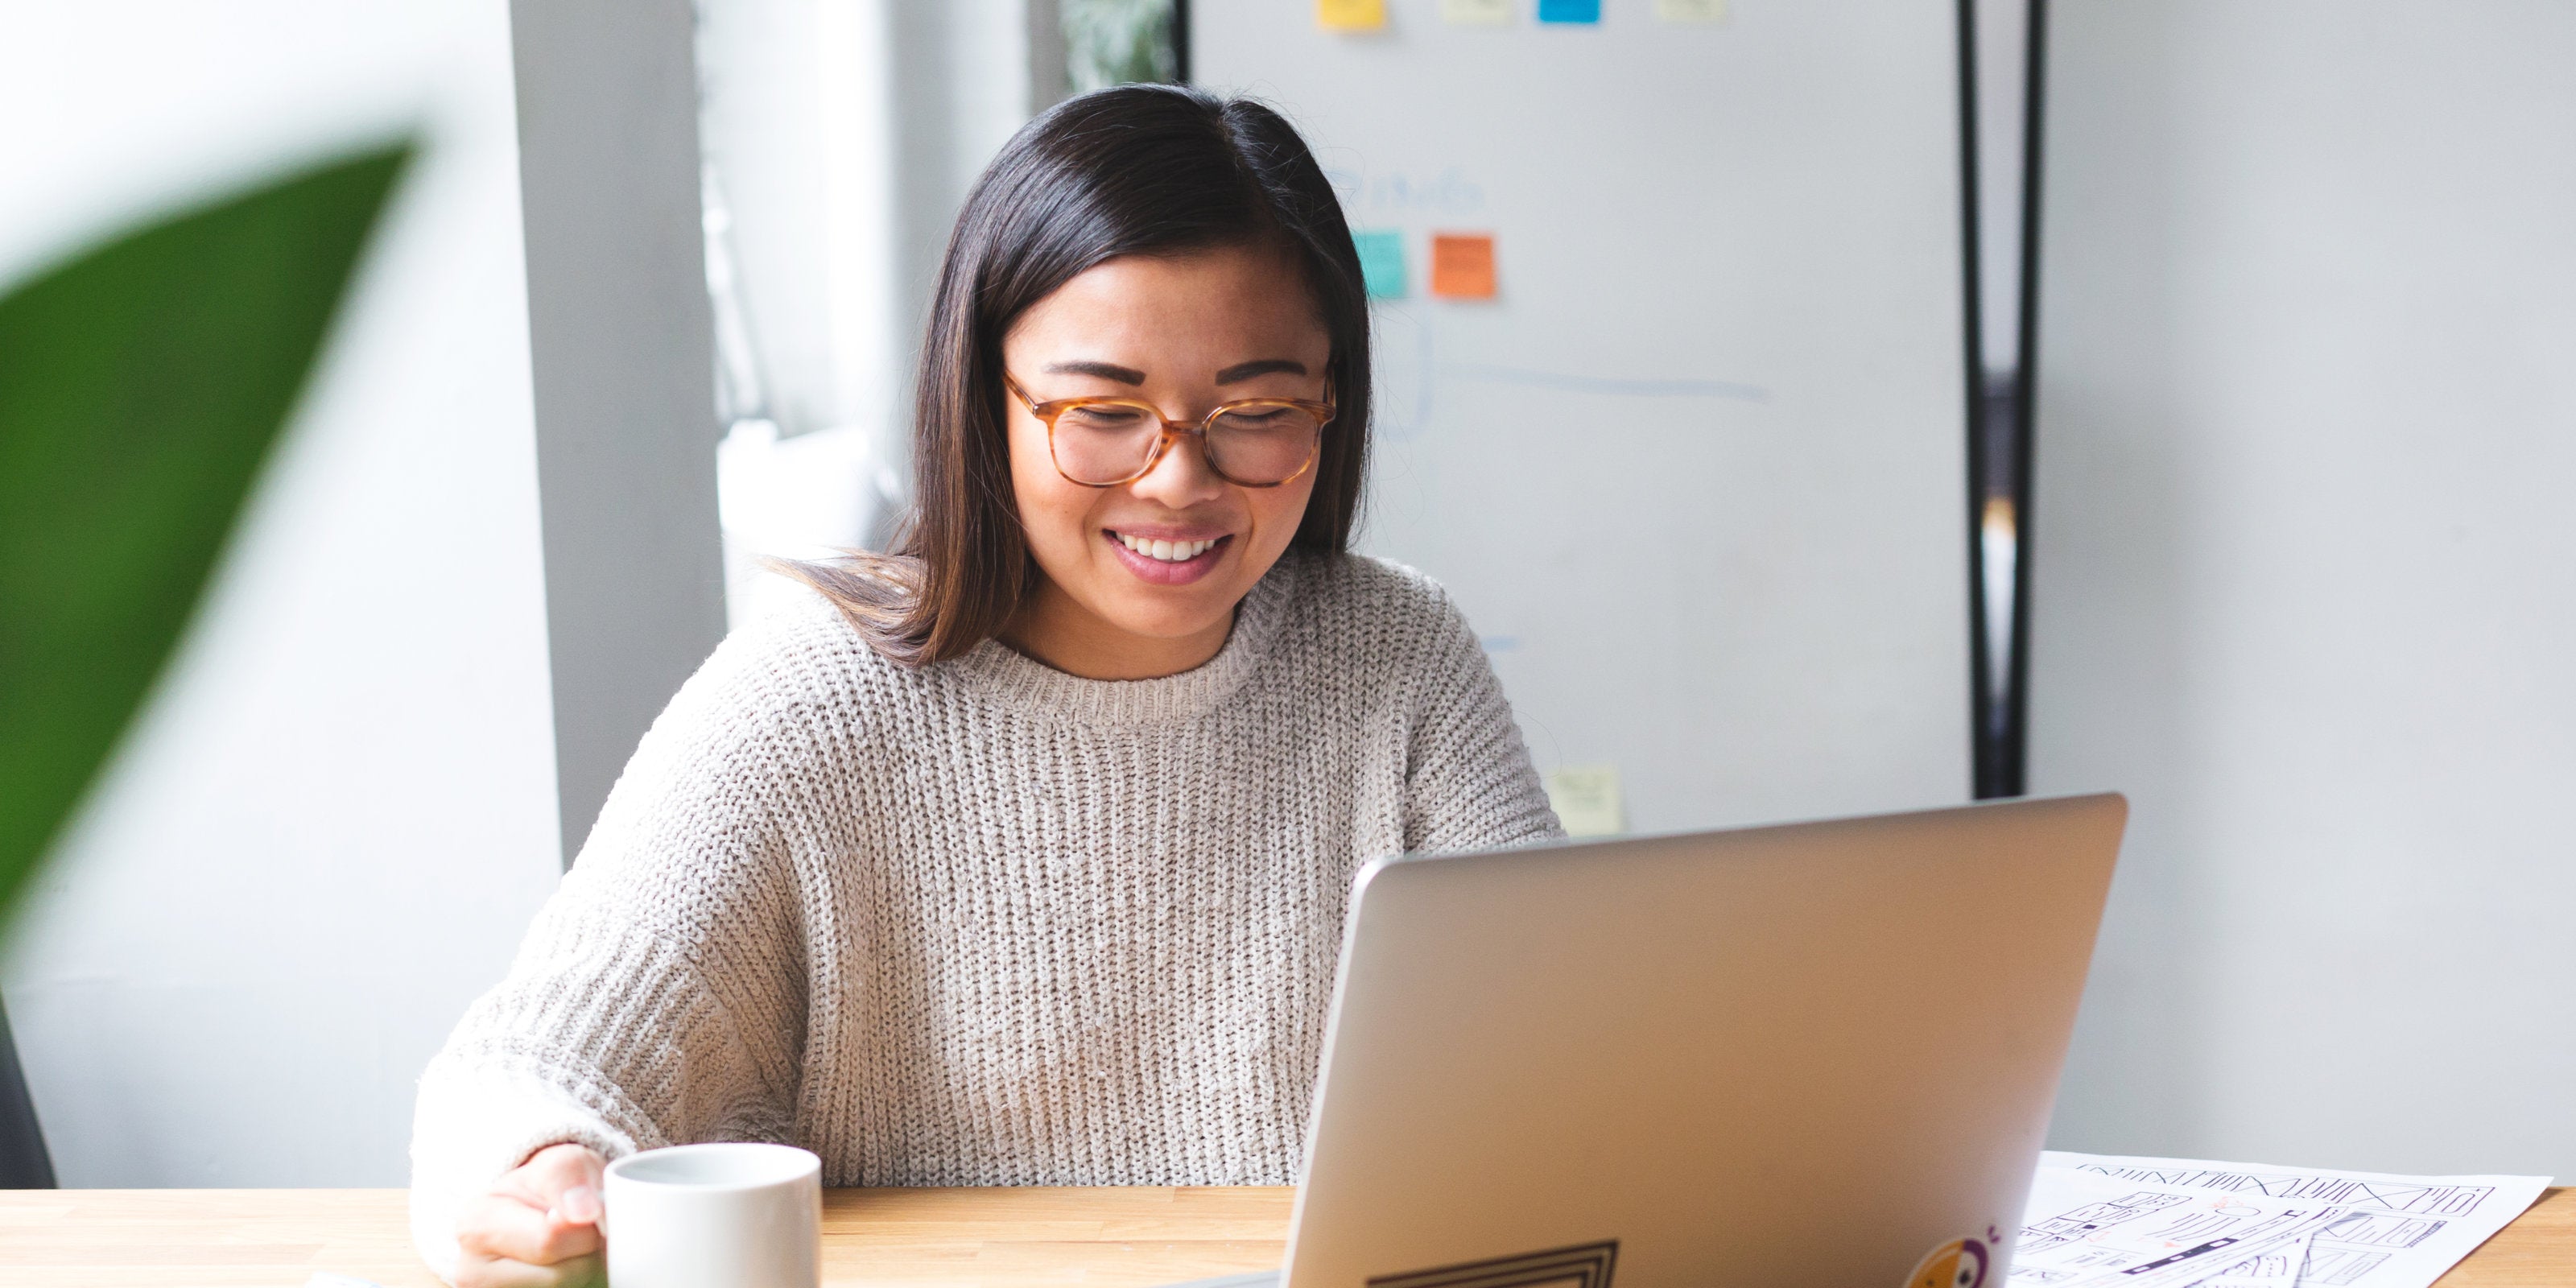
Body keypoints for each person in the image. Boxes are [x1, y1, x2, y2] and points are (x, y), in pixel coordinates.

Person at [410, 84, 1562, 1287]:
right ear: (983, 399)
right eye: (1105, 411)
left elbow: (1574, 1034)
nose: (1178, 477)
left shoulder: (1399, 657)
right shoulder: (812, 694)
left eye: (1258, 410)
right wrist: (537, 1172)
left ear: (1332, 404)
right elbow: (532, 1063)